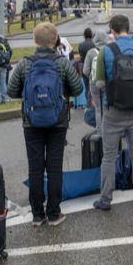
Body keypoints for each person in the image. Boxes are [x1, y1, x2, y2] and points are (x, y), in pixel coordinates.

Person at [7, 22, 83, 227]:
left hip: (31, 122)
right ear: (55, 40)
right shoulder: (62, 62)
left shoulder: (25, 63)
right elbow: (77, 89)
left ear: (34, 40)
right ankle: (54, 212)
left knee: (35, 167)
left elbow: (11, 90)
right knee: (54, 167)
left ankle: (37, 214)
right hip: (58, 120)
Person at [92, 15, 133, 211]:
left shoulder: (106, 52)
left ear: (112, 30)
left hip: (114, 111)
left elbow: (99, 83)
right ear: (128, 28)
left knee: (109, 156)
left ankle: (105, 199)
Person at [83, 30, 109, 130]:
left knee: (98, 109)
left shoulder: (90, 53)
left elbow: (85, 70)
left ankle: (99, 131)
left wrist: (92, 77)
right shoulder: (108, 51)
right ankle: (107, 130)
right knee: (106, 108)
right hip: (106, 82)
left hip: (94, 83)